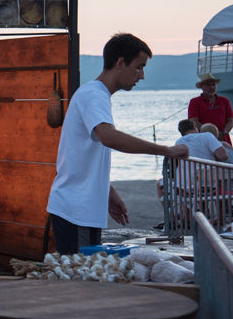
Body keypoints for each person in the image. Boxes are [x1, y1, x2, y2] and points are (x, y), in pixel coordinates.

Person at [46, 33, 188, 255]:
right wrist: (167, 150)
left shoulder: (93, 94)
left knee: (85, 278)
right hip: (76, 210)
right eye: (139, 67)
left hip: (80, 208)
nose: (141, 75)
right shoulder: (95, 95)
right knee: (81, 283)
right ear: (120, 63)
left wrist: (107, 190)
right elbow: (109, 137)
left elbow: (82, 153)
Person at [188, 73, 233, 145]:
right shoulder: (195, 102)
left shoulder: (224, 100)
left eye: (213, 84)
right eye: (208, 85)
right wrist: (212, 134)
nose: (212, 87)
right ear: (201, 87)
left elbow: (231, 120)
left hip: (224, 138)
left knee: (227, 155)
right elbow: (194, 122)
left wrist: (224, 132)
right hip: (204, 139)